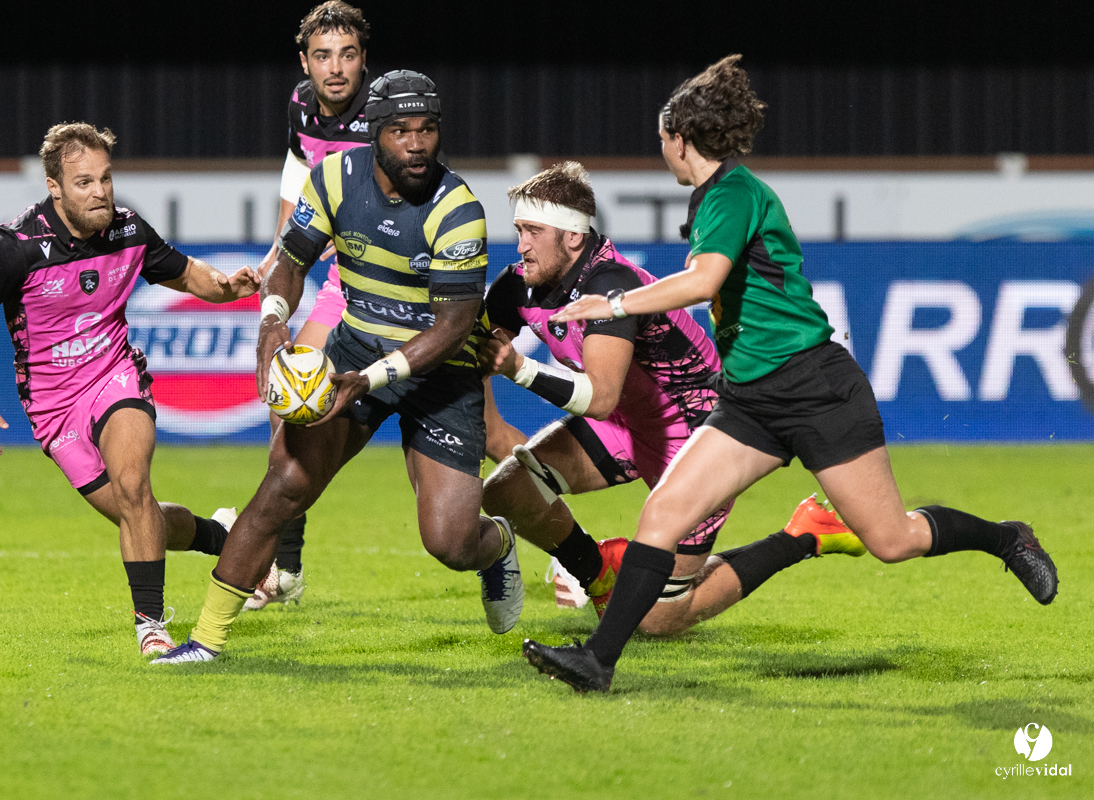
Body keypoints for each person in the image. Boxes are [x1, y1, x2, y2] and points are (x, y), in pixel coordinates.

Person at [522, 55, 1059, 693]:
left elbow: (703, 282)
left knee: (892, 538)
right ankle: (597, 663)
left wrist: (612, 303)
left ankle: (1004, 537)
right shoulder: (713, 199)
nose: (659, 147)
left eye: (662, 137)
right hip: (749, 399)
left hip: (815, 388)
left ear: (681, 139)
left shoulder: (733, 194)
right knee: (662, 514)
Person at [153, 70, 522, 664]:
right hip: (356, 348)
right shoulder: (333, 180)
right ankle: (205, 641)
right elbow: (290, 261)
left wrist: (366, 381)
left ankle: (498, 545)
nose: (416, 143)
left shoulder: (459, 209)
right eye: (401, 130)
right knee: (284, 485)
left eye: (426, 129)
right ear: (375, 134)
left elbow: (451, 327)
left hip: (440, 375)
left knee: (450, 542)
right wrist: (273, 318)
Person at [480, 162, 863, 635]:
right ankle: (599, 576)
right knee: (506, 489)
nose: (521, 246)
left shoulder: (610, 286)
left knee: (660, 620)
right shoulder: (519, 284)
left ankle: (804, 534)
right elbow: (476, 343)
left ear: (574, 237)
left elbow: (598, 399)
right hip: (625, 421)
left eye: (533, 232)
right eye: (519, 231)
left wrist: (518, 368)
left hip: (693, 428)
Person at [0, 123, 261, 655]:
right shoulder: (15, 248)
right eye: (84, 182)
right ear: (54, 187)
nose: (100, 192)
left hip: (114, 375)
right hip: (52, 405)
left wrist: (226, 289)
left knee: (133, 484)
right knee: (142, 517)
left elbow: (187, 274)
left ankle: (151, 627)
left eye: (106, 179)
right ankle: (223, 538)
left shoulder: (129, 231)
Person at [246, 0, 374, 612]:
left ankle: (563, 546)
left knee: (486, 437)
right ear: (306, 62)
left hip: (401, 290)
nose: (335, 68)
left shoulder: (385, 115)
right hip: (341, 283)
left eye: (347, 54)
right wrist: (281, 252)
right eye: (323, 56)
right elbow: (298, 172)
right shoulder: (300, 104)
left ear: (363, 60)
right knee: (294, 402)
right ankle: (286, 567)